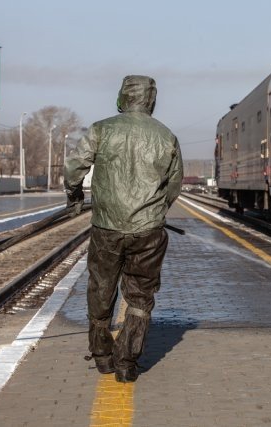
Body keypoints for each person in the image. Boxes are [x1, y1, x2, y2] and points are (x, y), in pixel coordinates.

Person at [64, 75, 183, 383]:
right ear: (151, 100)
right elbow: (174, 184)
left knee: (101, 288)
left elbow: (74, 167)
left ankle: (102, 355)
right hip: (149, 231)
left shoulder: (101, 129)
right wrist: (156, 211)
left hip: (106, 227)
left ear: (122, 97)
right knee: (141, 296)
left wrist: (74, 196)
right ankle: (127, 361)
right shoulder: (166, 136)